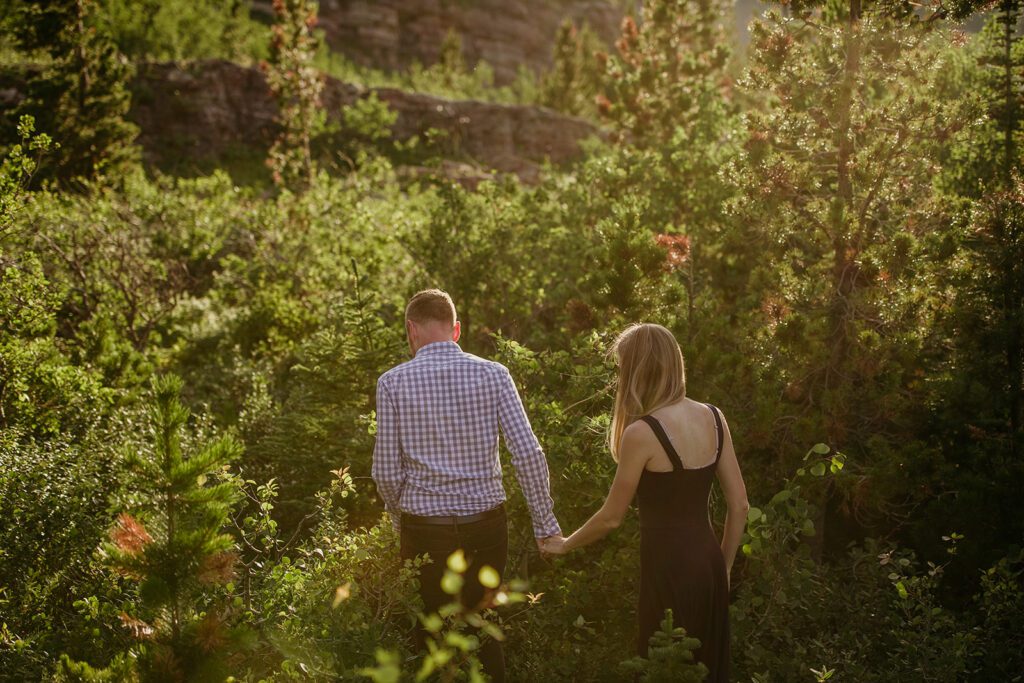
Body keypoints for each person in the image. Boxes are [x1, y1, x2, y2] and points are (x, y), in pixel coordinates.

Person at [371, 288, 562, 682]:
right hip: (486, 526)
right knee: (483, 625)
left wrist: (397, 523)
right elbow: (527, 453)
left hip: (425, 530)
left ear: (412, 330)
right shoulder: (495, 374)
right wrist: (546, 526)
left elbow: (387, 472)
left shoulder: (392, 383)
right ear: (456, 330)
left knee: (432, 631)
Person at [541, 323, 748, 682]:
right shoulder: (714, 417)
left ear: (638, 370)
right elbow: (741, 505)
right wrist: (724, 568)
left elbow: (611, 518)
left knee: (662, 669)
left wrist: (565, 545)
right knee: (706, 671)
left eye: (623, 367)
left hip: (668, 570)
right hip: (709, 565)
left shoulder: (642, 433)